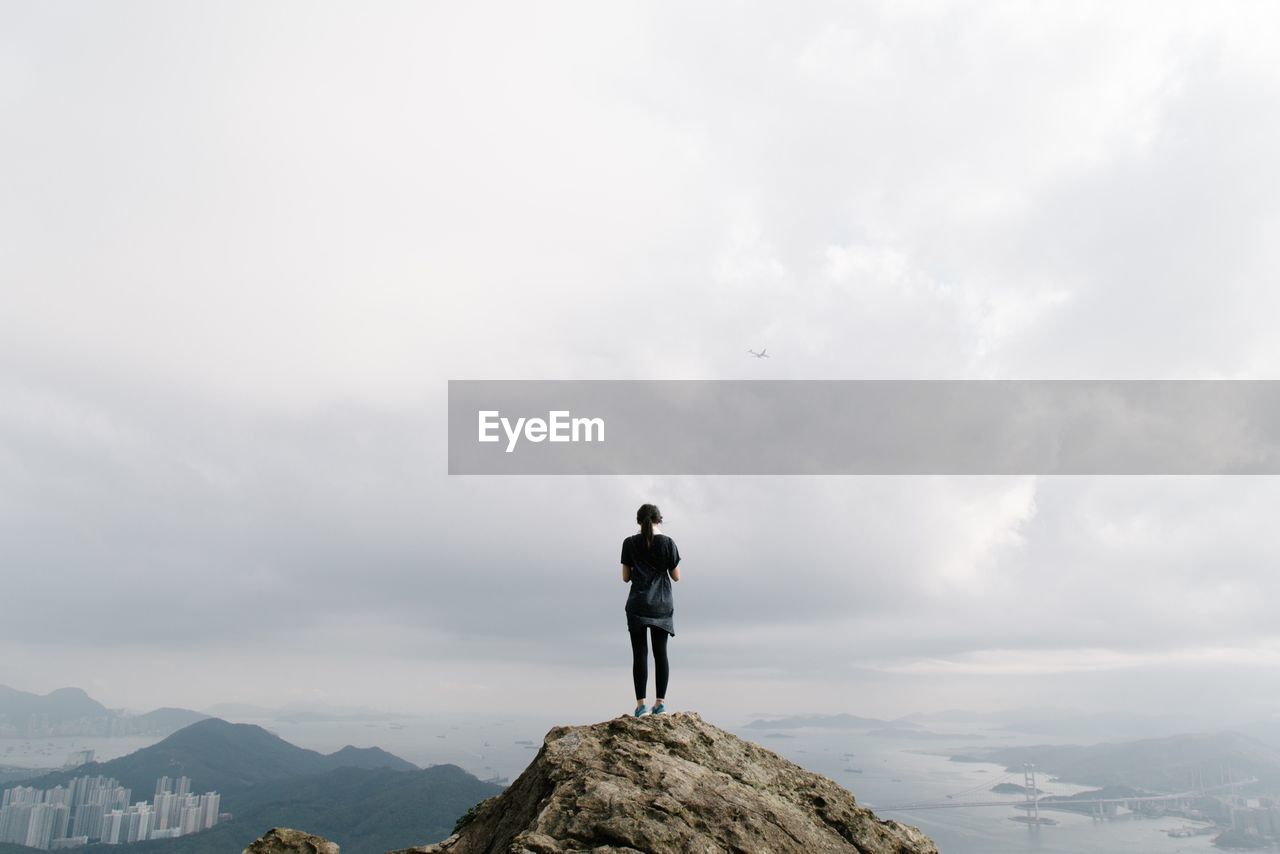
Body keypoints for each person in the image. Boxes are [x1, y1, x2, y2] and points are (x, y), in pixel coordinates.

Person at [620, 503, 681, 717]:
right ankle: (660, 704)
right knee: (660, 653)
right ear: (659, 520)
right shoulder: (667, 543)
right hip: (661, 604)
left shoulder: (629, 543)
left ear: (638, 521)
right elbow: (676, 576)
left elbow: (626, 577)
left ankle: (641, 706)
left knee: (640, 654)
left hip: (637, 603)